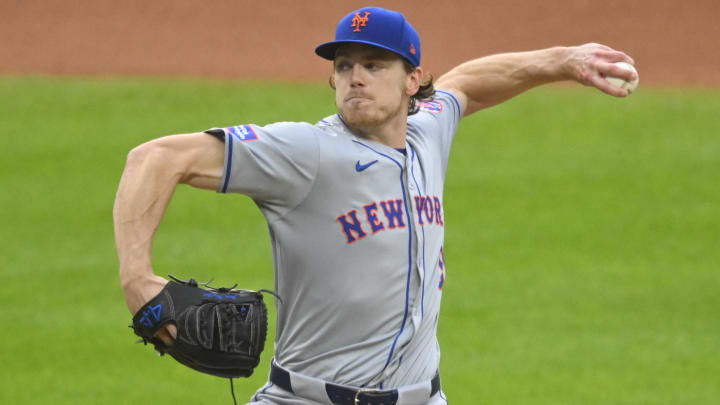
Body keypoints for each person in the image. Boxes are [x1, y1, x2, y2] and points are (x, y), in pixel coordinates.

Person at [113, 6, 636, 405]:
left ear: (413, 81)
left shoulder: (428, 131)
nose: (354, 77)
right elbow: (155, 158)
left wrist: (565, 60)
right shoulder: (306, 152)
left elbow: (467, 85)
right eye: (344, 66)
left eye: (374, 64)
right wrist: (136, 279)